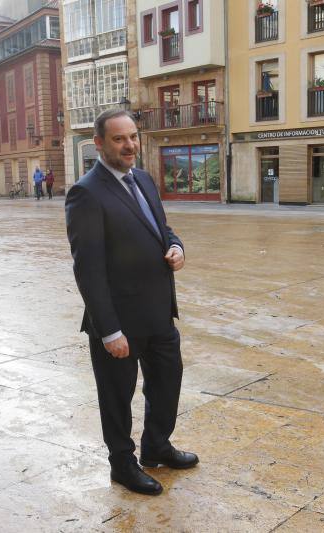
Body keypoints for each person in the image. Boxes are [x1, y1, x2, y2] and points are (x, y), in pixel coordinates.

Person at [65, 109, 197, 496]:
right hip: (119, 321)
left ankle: (156, 447)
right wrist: (109, 330)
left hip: (158, 313)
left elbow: (162, 227)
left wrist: (175, 246)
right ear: (100, 143)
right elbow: (87, 270)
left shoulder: (143, 178)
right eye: (120, 139)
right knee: (116, 398)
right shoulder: (86, 193)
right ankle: (123, 464)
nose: (129, 145)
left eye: (134, 137)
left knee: (167, 382)